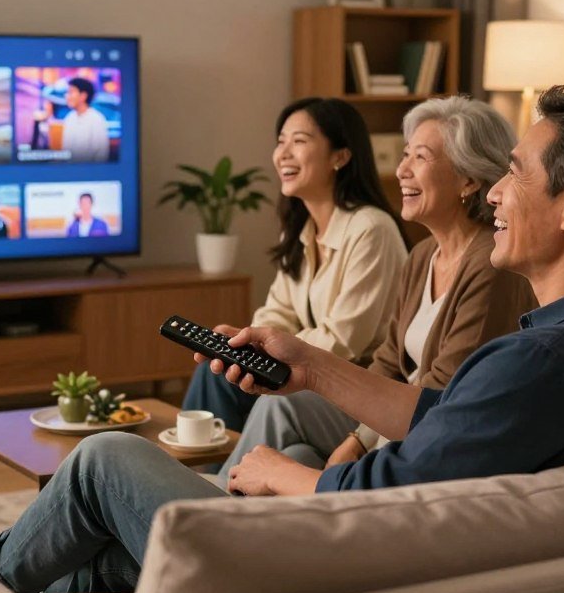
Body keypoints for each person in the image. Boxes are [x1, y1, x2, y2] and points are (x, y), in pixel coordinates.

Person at [0, 86, 564, 593]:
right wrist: (311, 366)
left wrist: (284, 476)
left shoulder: (544, 359)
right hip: (386, 555)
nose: (498, 192)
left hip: (328, 564)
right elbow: (447, 418)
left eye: (514, 170)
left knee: (102, 461)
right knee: (114, 527)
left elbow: (389, 499)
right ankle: (2, 568)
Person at [216, 97, 537, 483]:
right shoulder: (423, 255)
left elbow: (441, 396)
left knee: (280, 413)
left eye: (419, 157)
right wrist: (355, 441)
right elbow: (387, 361)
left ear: (468, 179)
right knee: (297, 454)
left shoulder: (489, 263)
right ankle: (222, 505)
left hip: (426, 430)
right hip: (386, 417)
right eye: (404, 155)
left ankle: (211, 505)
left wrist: (358, 444)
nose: (401, 170)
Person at [181, 97, 409, 433]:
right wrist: (253, 344)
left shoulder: (371, 229)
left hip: (354, 385)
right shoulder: (301, 229)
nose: (282, 153)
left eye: (299, 141)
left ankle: (209, 481)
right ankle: (203, 476)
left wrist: (271, 349)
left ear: (340, 157)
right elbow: (277, 312)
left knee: (230, 377)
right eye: (280, 142)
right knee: (214, 370)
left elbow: (343, 341)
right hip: (305, 371)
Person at [61, 77, 110, 162]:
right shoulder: (69, 118)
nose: (66, 96)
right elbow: (65, 150)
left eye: (70, 92)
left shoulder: (96, 119)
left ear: (83, 96)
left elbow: (102, 154)